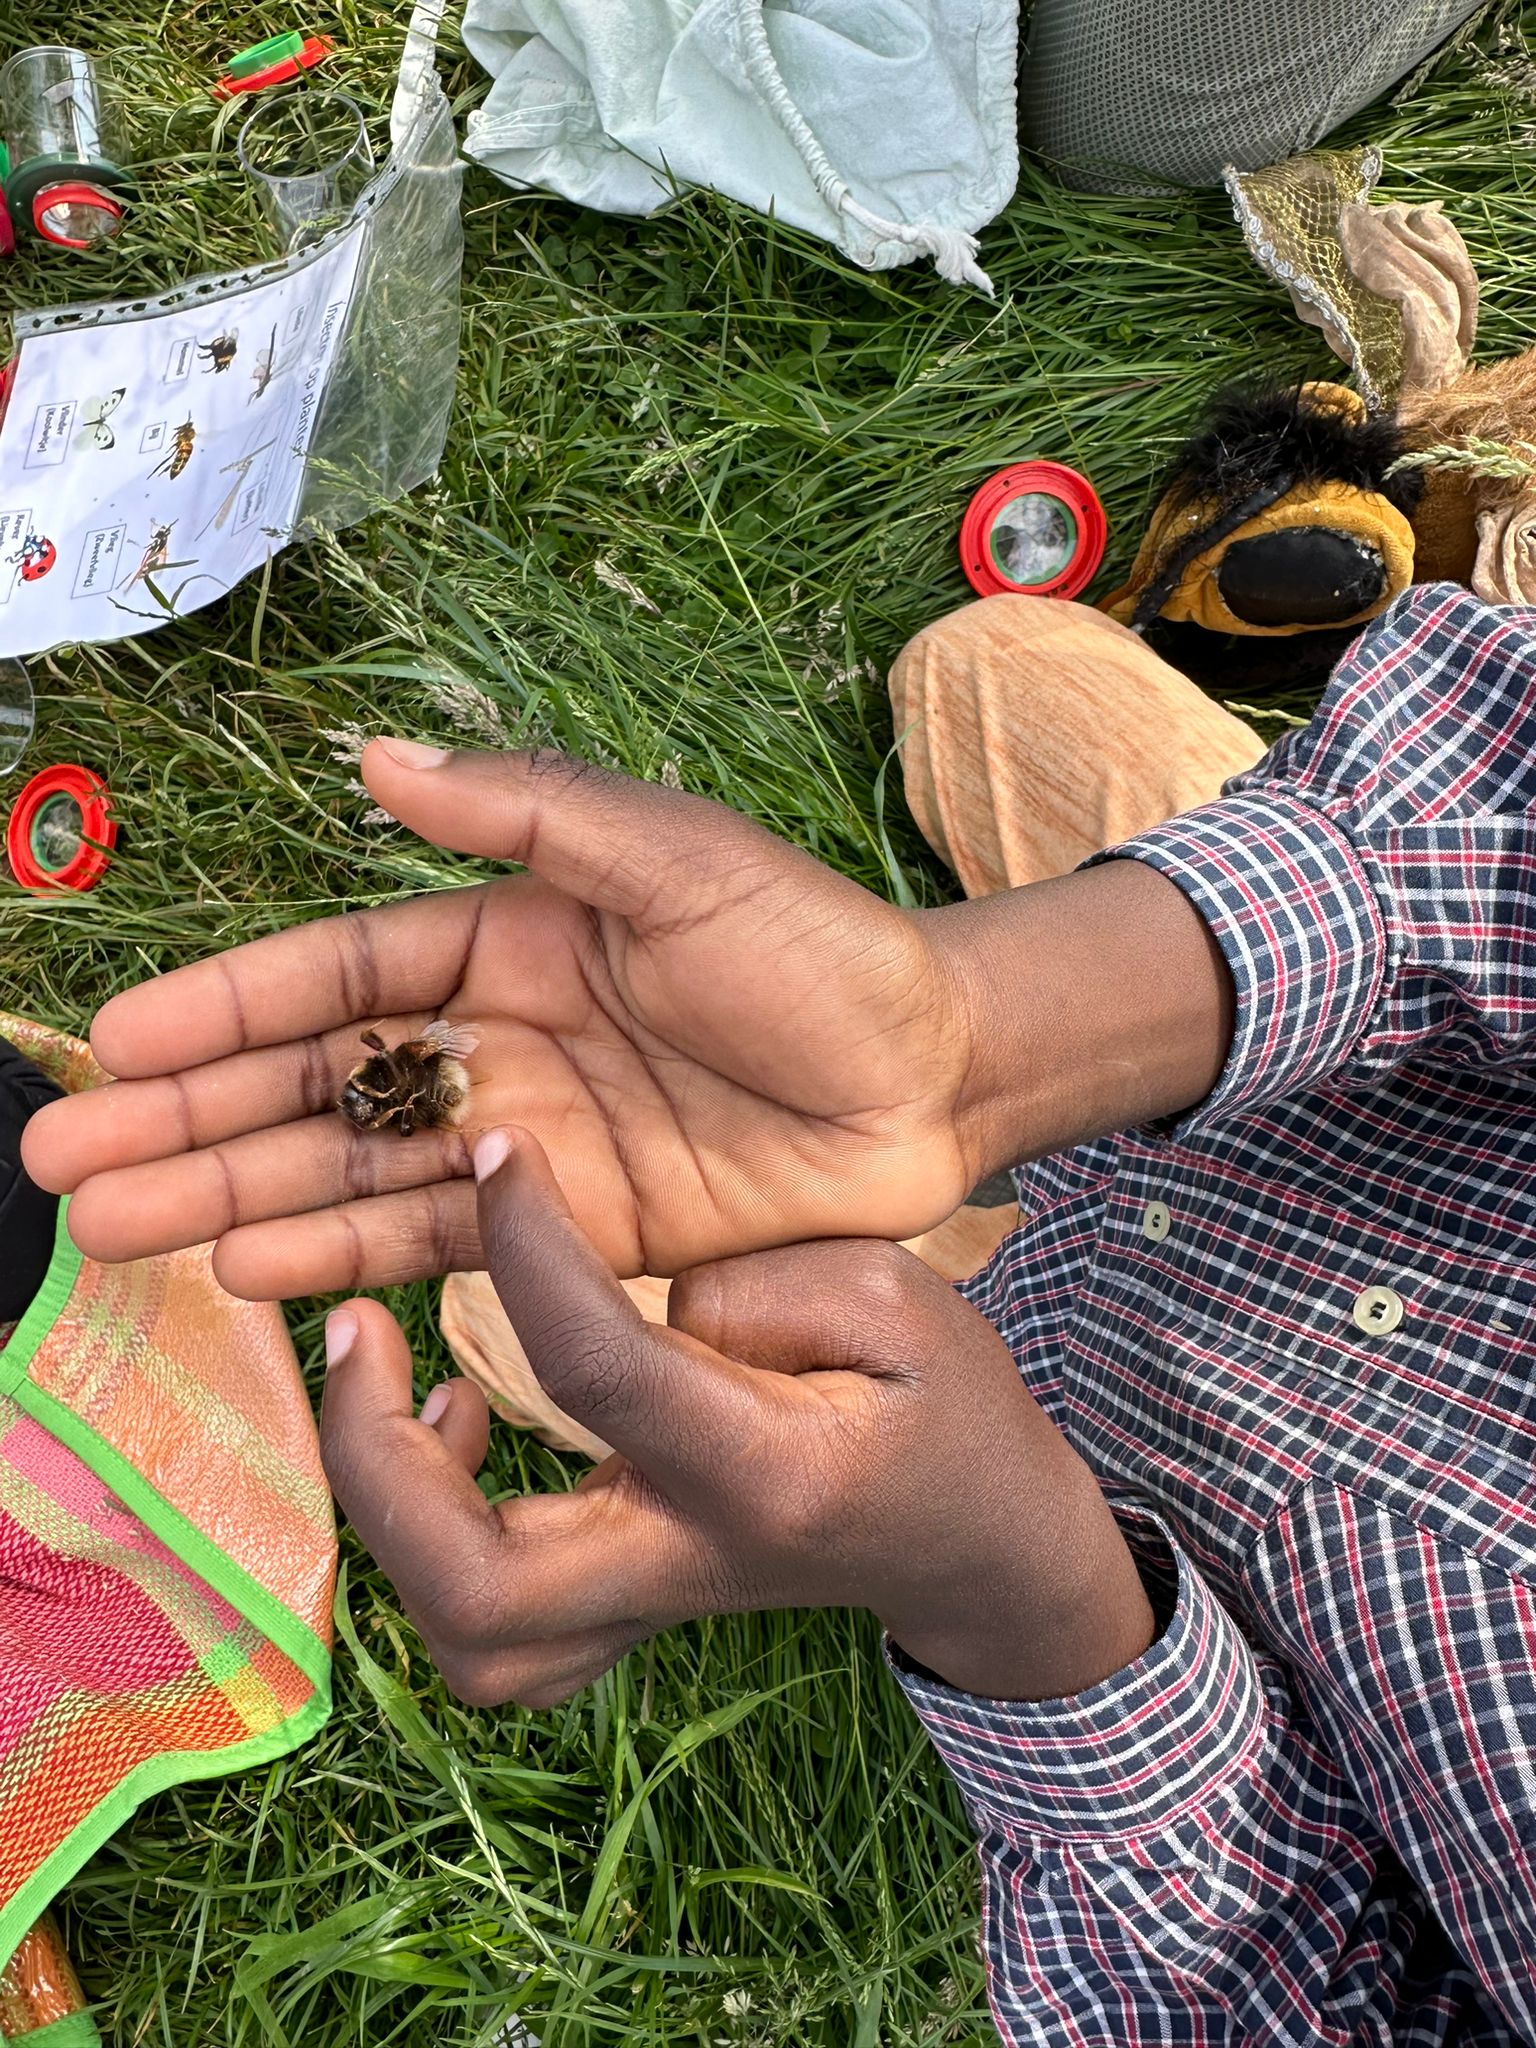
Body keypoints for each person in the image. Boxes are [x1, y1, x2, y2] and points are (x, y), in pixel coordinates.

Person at [23, 580, 1536, 2043]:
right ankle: (1019, 1075)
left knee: (513, 1290)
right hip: (1352, 1111)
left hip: (1090, 1470)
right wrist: (979, 1033)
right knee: (986, 665)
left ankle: (924, 1218)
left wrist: (1012, 1587)